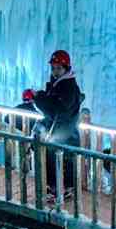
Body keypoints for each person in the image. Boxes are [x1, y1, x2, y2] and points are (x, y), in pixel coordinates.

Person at [33, 50, 81, 201]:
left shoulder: (68, 87)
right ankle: (56, 187)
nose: (55, 71)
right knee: (55, 158)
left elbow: (56, 109)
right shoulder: (59, 84)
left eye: (58, 68)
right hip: (60, 129)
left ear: (66, 68)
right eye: (53, 68)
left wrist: (38, 98)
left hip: (62, 130)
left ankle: (61, 188)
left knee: (59, 159)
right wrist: (41, 96)